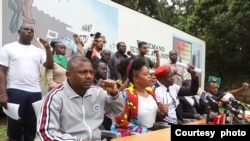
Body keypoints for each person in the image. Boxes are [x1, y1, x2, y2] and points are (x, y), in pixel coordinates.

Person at [37, 56, 124, 141]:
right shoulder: (55, 97)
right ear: (68, 75)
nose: (89, 76)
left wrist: (114, 94)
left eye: (91, 72)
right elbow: (46, 134)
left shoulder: (98, 93)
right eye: (83, 72)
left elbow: (118, 111)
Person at [0, 24, 53, 141]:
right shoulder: (8, 48)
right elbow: (2, 71)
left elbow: (50, 65)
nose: (29, 32)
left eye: (32, 30)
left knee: (31, 127)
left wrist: (47, 48)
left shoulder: (38, 51)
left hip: (35, 93)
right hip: (15, 91)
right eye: (26, 29)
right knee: (15, 128)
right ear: (19, 31)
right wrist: (2, 94)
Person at [113, 58, 168, 135]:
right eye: (145, 74)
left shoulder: (151, 92)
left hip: (152, 134)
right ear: (135, 79)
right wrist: (143, 131)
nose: (150, 76)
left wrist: (162, 113)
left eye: (149, 73)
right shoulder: (126, 95)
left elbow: (152, 116)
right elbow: (121, 122)